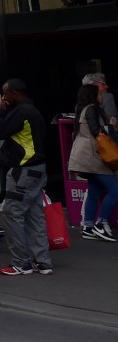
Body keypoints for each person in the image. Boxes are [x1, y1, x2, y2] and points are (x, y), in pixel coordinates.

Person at [0, 78, 51, 276]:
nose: (4, 97)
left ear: (16, 93)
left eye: (5, 93)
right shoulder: (33, 110)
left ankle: (21, 263)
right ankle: (42, 262)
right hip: (38, 169)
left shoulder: (20, 112)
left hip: (23, 171)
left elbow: (0, 132)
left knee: (12, 213)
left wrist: (1, 111)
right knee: (35, 215)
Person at [67, 76, 118, 242]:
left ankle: (88, 226)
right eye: (99, 94)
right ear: (93, 95)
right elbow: (97, 132)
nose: (102, 97)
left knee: (94, 191)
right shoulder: (92, 109)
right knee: (114, 191)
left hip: (83, 157)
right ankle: (101, 223)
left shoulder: (81, 108)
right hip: (93, 157)